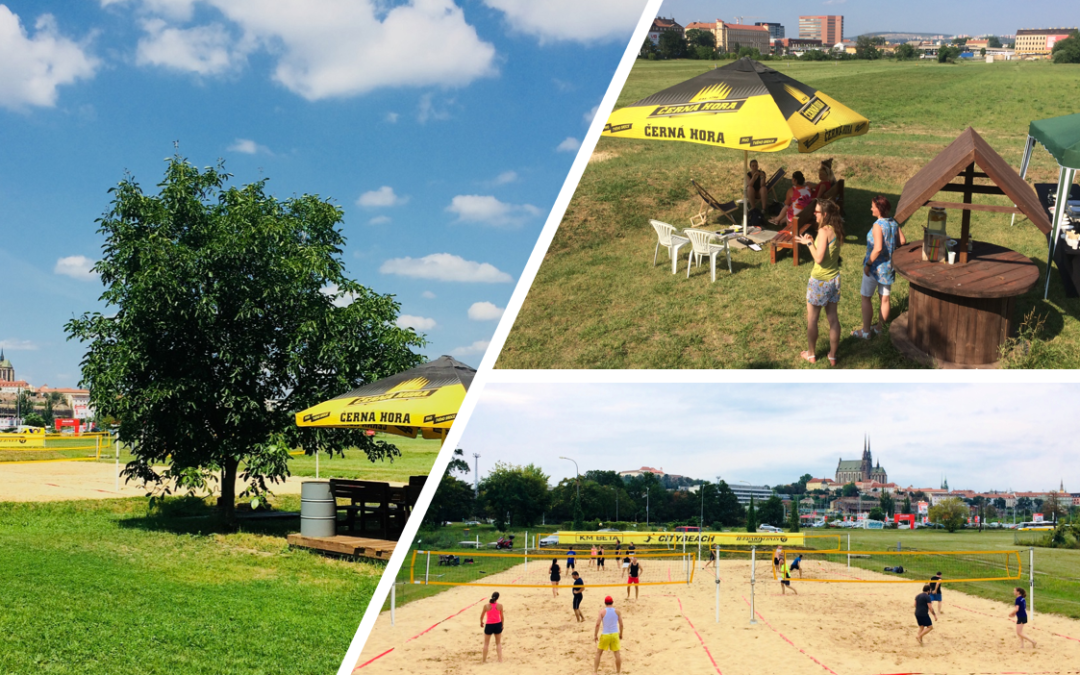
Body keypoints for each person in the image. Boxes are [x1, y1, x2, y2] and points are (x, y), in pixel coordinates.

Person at [796, 199, 844, 366]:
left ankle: (811, 354)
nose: (813, 214)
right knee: (833, 320)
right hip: (833, 280)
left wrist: (808, 243)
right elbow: (825, 249)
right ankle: (832, 355)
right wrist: (812, 240)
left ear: (824, 214)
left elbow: (818, 258)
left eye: (816, 212)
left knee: (812, 320)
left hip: (819, 282)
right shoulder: (834, 229)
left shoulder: (823, 231)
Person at [853, 195, 906, 339]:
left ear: (879, 209)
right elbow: (902, 240)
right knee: (885, 299)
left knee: (866, 297)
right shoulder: (893, 223)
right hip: (888, 268)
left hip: (875, 269)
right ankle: (879, 329)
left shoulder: (878, 225)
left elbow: (877, 248)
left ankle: (865, 332)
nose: (871, 208)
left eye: (873, 206)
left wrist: (868, 264)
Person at [594, 596, 624, 674]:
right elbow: (621, 625)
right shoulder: (617, 611)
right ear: (612, 602)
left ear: (605, 603)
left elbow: (597, 624)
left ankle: (595, 671)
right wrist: (621, 634)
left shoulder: (602, 612)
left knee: (598, 653)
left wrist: (595, 635)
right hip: (614, 634)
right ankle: (618, 672)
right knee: (617, 654)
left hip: (605, 634)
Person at [480, 591, 504, 663]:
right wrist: (502, 625)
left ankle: (484, 660)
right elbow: (502, 617)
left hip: (489, 625)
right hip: (497, 624)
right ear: (497, 598)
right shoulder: (500, 606)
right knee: (498, 643)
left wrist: (481, 622)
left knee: (486, 643)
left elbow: (482, 616)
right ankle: (500, 660)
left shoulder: (486, 606)